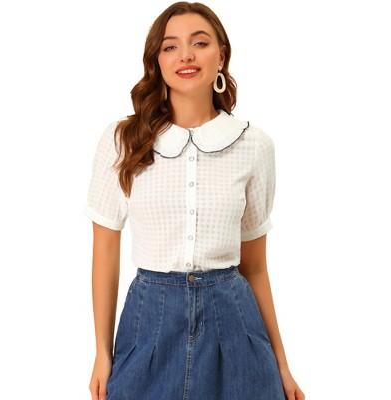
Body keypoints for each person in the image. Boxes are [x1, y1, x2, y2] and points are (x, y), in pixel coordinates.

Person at [85, 2, 305, 399]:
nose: (185, 55)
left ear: (221, 55)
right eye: (170, 46)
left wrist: (282, 365)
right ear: (157, 61)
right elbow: (105, 249)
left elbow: (255, 268)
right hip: (147, 327)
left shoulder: (254, 146)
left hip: (234, 329)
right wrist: (102, 352)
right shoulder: (123, 140)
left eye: (199, 43)